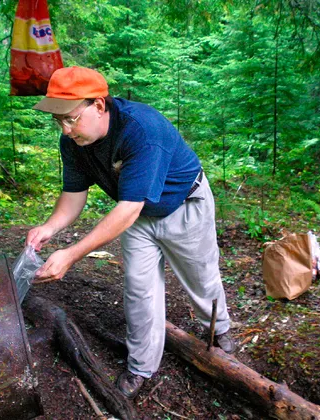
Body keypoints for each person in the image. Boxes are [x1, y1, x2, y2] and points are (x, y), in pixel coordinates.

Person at [26, 66, 235, 399]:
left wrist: (72, 254)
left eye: (71, 119)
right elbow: (74, 193)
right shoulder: (75, 141)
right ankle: (141, 366)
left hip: (183, 207)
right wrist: (50, 227)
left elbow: (128, 209)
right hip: (137, 218)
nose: (65, 130)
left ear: (98, 105)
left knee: (201, 280)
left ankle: (220, 332)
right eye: (58, 121)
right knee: (139, 290)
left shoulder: (141, 130)